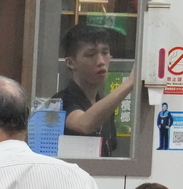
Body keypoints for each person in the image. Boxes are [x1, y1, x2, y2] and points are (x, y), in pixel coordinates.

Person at [57, 23, 134, 157]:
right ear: (71, 63)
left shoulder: (104, 106)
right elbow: (84, 124)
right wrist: (129, 83)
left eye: (105, 53)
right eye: (90, 54)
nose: (101, 61)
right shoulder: (61, 101)